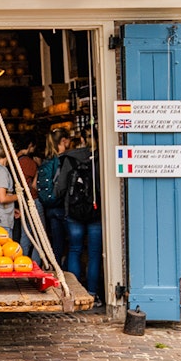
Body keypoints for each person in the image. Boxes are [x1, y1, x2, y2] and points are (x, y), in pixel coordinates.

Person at [56, 130, 104, 306]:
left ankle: (74, 293)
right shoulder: (101, 158)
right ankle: (92, 293)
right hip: (95, 212)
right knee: (94, 254)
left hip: (74, 212)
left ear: (81, 140)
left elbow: (60, 189)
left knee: (74, 250)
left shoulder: (69, 159)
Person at [36, 128, 70, 264]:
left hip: (50, 206)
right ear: (63, 141)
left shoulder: (47, 161)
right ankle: (66, 270)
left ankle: (56, 269)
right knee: (73, 244)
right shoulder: (64, 161)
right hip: (62, 205)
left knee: (57, 242)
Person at [13, 134, 43, 264]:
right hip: (32, 200)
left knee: (25, 236)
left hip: (21, 202)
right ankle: (36, 264)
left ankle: (22, 263)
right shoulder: (29, 162)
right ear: (30, 145)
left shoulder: (12, 160)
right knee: (39, 237)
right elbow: (34, 185)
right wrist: (39, 167)